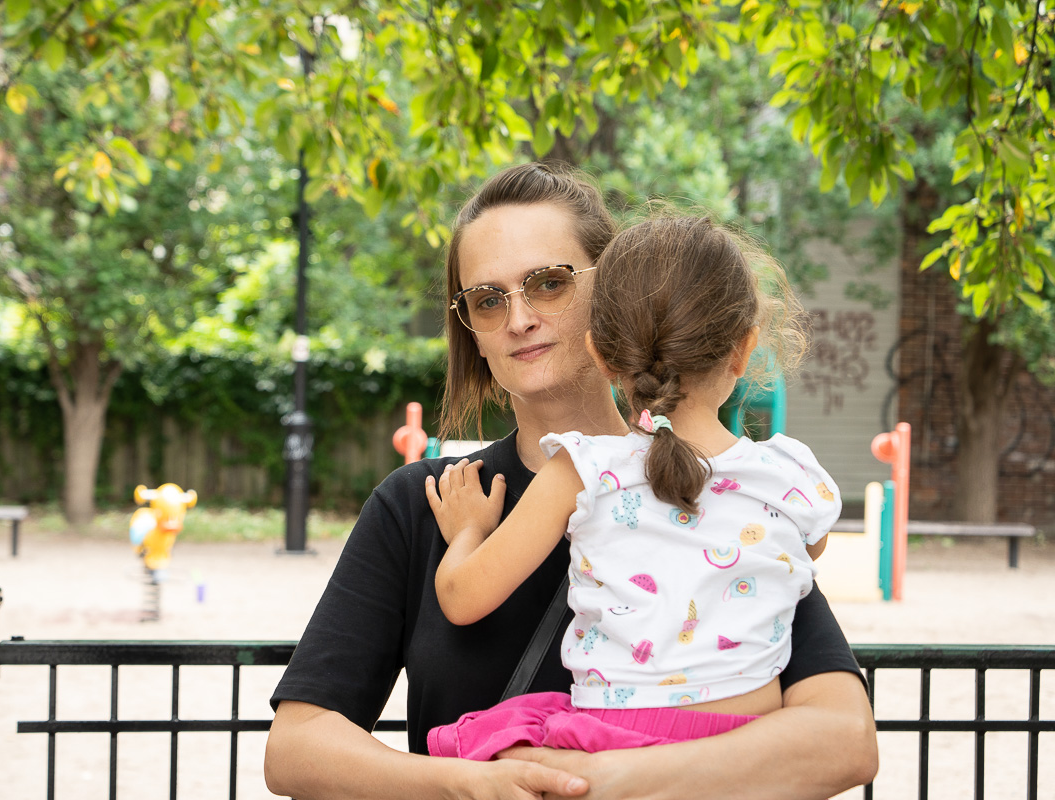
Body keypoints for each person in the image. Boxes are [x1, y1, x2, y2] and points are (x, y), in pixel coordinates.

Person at [265, 162, 878, 800]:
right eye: (487, 299)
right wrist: (464, 784)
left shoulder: (728, 494)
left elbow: (843, 741)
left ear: (614, 294)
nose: (519, 318)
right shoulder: (422, 504)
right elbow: (296, 749)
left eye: (549, 283)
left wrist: (604, 780)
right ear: (471, 328)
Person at [425, 213, 838, 762]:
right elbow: (810, 550)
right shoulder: (792, 474)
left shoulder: (583, 469)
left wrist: (469, 530)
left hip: (615, 741)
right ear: (744, 348)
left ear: (600, 353)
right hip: (742, 750)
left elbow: (461, 599)